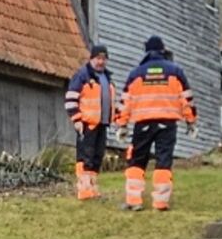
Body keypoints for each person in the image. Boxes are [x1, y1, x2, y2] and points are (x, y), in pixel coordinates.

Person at [114, 34, 197, 211]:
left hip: (143, 123)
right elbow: (186, 99)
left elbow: (125, 102)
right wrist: (191, 121)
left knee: (137, 160)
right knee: (163, 160)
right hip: (167, 123)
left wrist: (122, 124)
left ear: (146, 51)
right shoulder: (175, 71)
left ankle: (134, 201)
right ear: (162, 50)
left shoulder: (136, 74)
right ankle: (160, 202)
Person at [63, 42, 113, 200]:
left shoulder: (107, 77)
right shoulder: (82, 75)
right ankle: (83, 189)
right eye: (98, 58)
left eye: (104, 58)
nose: (101, 61)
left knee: (97, 156)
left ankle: (92, 187)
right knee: (86, 155)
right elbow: (70, 98)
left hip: (102, 123)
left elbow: (109, 101)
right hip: (87, 123)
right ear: (92, 58)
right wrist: (76, 119)